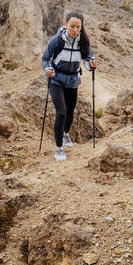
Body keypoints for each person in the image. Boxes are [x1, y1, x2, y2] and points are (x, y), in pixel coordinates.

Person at [42, 11, 99, 162]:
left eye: (78, 27)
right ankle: (59, 148)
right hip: (56, 80)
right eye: (72, 26)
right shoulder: (57, 40)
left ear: (81, 27)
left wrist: (91, 64)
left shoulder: (83, 41)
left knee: (71, 111)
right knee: (61, 112)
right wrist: (47, 69)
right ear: (66, 24)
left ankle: (66, 132)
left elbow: (88, 59)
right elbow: (46, 59)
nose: (75, 29)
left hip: (73, 80)